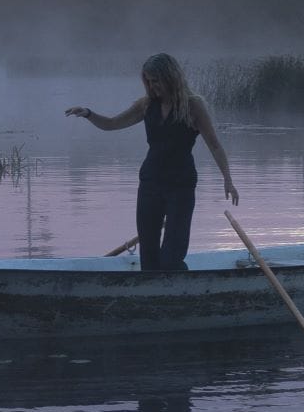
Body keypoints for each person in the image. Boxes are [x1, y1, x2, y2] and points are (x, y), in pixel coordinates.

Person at [66, 53, 238, 271]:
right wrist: (89, 114)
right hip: (150, 183)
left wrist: (227, 179)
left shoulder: (193, 106)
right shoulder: (146, 105)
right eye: (148, 81)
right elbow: (111, 124)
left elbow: (214, 145)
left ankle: (179, 294)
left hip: (180, 185)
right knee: (148, 257)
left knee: (171, 258)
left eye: (156, 81)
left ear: (170, 77)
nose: (152, 86)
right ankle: (151, 298)